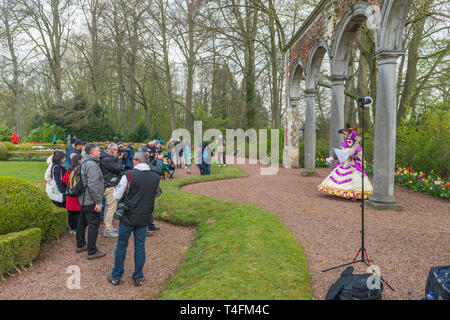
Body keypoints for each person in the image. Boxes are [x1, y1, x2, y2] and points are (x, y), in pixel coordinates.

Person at [107, 152, 160, 286]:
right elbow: (156, 193)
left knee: (121, 245)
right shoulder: (155, 177)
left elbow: (116, 195)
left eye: (133, 159)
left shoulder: (129, 175)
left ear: (137, 161)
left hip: (128, 215)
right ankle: (138, 276)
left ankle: (116, 275)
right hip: (144, 215)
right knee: (140, 246)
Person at [317, 130, 373, 200]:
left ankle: (354, 194)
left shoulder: (357, 146)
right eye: (347, 138)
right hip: (343, 164)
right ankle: (341, 192)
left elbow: (361, 156)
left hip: (353, 165)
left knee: (355, 178)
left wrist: (353, 157)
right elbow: (339, 153)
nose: (348, 140)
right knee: (338, 176)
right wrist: (332, 158)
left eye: (350, 139)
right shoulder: (344, 145)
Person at [75, 143, 105, 260]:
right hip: (90, 200)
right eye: (98, 150)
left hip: (83, 199)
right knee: (93, 224)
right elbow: (93, 185)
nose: (100, 152)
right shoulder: (92, 165)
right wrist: (98, 201)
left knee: (82, 222)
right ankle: (92, 251)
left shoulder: (84, 162)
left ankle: (81, 244)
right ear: (92, 152)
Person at [99, 143, 124, 238]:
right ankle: (108, 230)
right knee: (112, 207)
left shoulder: (104, 157)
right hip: (109, 185)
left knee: (108, 207)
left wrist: (117, 158)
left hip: (106, 184)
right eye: (117, 150)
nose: (118, 152)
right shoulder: (107, 159)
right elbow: (117, 169)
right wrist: (120, 159)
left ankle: (107, 226)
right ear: (112, 150)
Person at [62, 155, 83, 234]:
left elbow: (63, 180)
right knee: (77, 213)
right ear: (78, 161)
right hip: (77, 194)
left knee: (70, 213)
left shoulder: (69, 170)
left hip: (69, 194)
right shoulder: (79, 170)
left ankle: (72, 228)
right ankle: (77, 228)